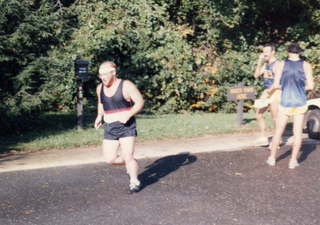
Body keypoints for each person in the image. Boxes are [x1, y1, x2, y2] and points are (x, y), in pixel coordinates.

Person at [94, 61, 144, 192]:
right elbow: (101, 103)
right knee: (110, 159)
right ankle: (131, 161)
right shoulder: (100, 88)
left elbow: (139, 102)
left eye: (105, 74)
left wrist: (129, 114)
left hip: (126, 125)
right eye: (100, 75)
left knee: (128, 155)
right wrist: (99, 116)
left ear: (113, 72)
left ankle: (134, 181)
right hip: (110, 126)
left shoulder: (126, 85)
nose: (102, 77)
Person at [267, 43, 314, 169]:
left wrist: (285, 86)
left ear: (288, 52)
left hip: (286, 101)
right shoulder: (306, 65)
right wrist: (300, 87)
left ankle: (272, 158)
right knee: (297, 133)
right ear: (299, 52)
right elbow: (310, 86)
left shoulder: (281, 64)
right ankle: (293, 161)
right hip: (300, 102)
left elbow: (276, 84)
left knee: (278, 131)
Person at [253, 43, 281, 146]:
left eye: (266, 52)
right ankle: (263, 137)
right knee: (258, 113)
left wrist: (270, 91)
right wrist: (259, 61)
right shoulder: (266, 65)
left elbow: (278, 81)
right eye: (263, 52)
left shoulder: (278, 64)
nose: (264, 54)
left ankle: (277, 140)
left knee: (274, 117)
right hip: (266, 91)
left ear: (273, 52)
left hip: (276, 91)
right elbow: (256, 75)